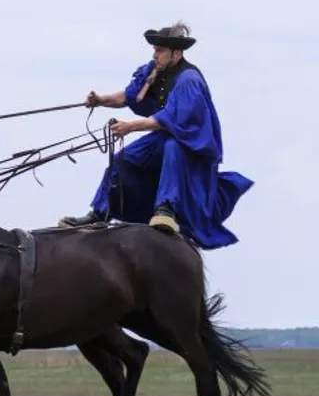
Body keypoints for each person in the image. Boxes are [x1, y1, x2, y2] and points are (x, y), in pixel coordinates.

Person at [57, 22, 253, 249]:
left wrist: (131, 126)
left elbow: (171, 119)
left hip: (190, 148)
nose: (155, 54)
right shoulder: (155, 70)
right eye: (155, 49)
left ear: (177, 53)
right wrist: (101, 100)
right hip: (165, 137)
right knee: (123, 159)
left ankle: (166, 209)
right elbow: (128, 96)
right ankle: (101, 213)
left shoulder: (189, 80)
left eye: (160, 51)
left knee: (172, 147)